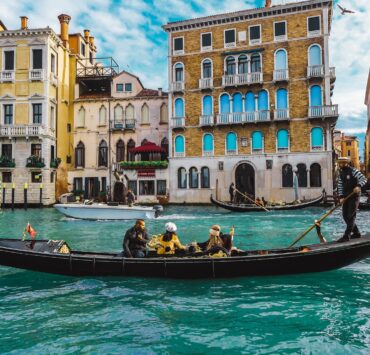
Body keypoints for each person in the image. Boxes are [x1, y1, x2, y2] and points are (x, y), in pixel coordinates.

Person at [336, 157, 368, 242]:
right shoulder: (341, 173)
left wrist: (358, 186)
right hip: (346, 196)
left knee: (351, 215)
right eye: (340, 163)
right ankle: (356, 233)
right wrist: (341, 196)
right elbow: (340, 186)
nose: (342, 164)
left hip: (354, 196)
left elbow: (364, 179)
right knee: (345, 215)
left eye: (343, 163)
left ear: (347, 163)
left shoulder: (353, 171)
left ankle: (346, 236)